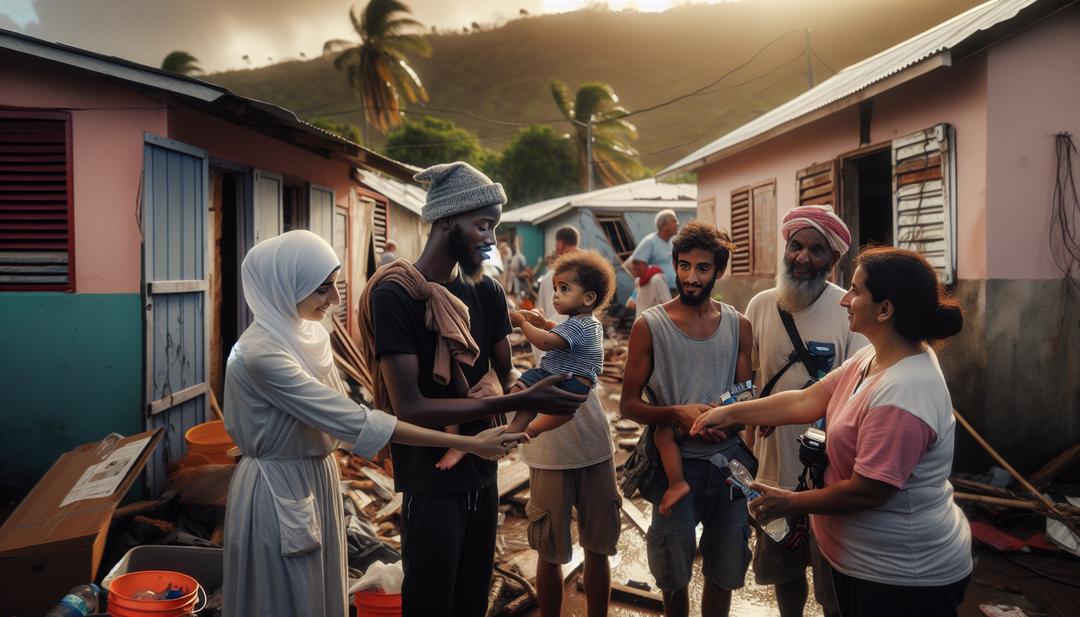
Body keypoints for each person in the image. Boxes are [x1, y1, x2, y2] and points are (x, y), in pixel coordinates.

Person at [221, 230, 525, 616]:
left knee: (317, 590)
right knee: (281, 594)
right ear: (283, 285)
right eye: (322, 290)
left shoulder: (306, 334)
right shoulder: (260, 354)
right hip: (277, 484)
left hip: (316, 476)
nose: (334, 300)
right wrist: (471, 443)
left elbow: (344, 417)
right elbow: (352, 419)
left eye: (334, 286)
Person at [692, 246, 973, 617]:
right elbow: (804, 401)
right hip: (864, 563)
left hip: (901, 576)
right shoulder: (873, 357)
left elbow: (868, 492)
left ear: (885, 310)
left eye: (856, 291)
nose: (846, 301)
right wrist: (729, 414)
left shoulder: (904, 392)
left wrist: (789, 502)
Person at [361, 162, 587, 617]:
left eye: (495, 227)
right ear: (446, 221)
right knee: (429, 603)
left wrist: (522, 398)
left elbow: (503, 373)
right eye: (482, 225)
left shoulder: (485, 291)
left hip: (483, 472)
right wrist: (522, 400)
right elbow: (409, 406)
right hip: (430, 481)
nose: (491, 238)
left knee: (470, 599)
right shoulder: (396, 296)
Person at [620, 220, 754, 617]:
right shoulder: (651, 326)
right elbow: (628, 404)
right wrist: (674, 414)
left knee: (726, 569)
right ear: (674, 264)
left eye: (702, 268)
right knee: (672, 573)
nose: (691, 278)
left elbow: (746, 393)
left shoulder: (738, 325)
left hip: (731, 465)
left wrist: (725, 416)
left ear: (718, 271)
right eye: (683, 266)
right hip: (673, 467)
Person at [745, 205, 867, 617]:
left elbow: (857, 391)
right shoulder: (761, 305)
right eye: (796, 245)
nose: (802, 257)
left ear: (833, 260)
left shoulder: (850, 310)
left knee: (833, 580)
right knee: (784, 572)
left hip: (830, 471)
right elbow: (750, 383)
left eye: (817, 250)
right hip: (773, 465)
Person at [516, 225, 622, 617]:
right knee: (549, 550)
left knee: (599, 546)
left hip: (592, 444)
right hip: (550, 452)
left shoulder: (584, 319)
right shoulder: (552, 287)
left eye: (565, 289)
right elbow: (544, 333)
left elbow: (549, 337)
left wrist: (529, 324)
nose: (558, 294)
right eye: (557, 288)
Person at [630, 208, 680, 292]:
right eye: (673, 221)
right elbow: (636, 263)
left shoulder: (671, 243)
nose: (677, 224)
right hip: (658, 292)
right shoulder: (650, 241)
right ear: (664, 225)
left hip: (674, 289)